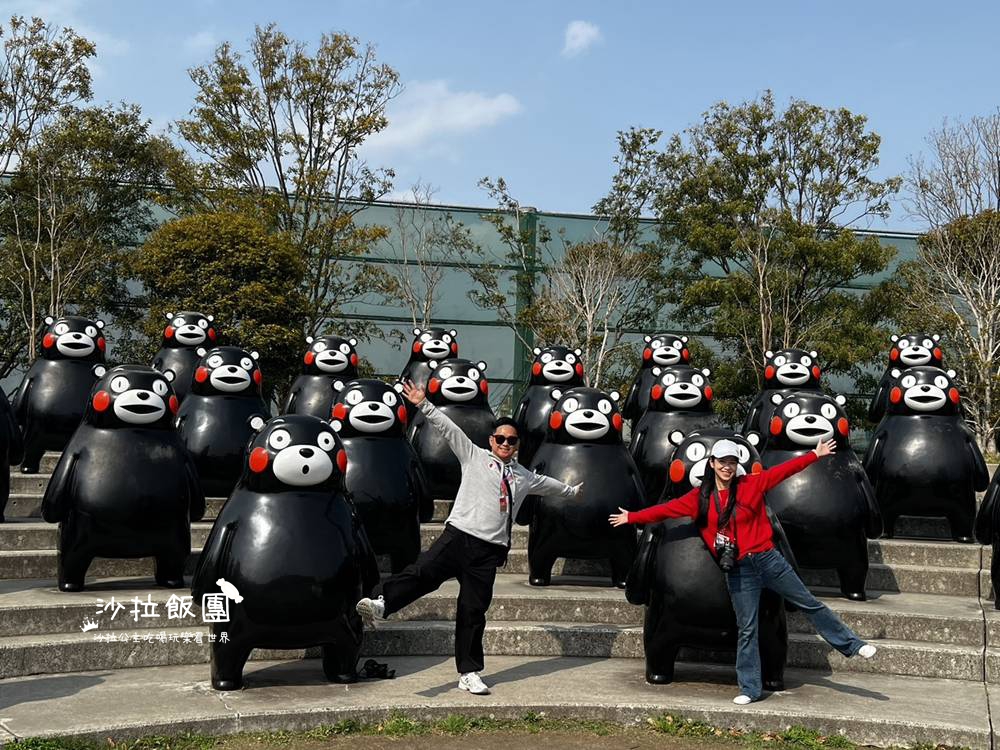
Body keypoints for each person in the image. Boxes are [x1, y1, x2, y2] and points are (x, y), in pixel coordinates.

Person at [356, 379, 582, 696]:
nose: (505, 444)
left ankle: (469, 672)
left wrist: (571, 491)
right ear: (492, 440)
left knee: (473, 611)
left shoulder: (523, 476)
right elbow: (448, 429)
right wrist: (423, 404)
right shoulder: (474, 455)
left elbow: (549, 485)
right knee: (423, 573)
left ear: (517, 444)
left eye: (511, 440)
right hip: (458, 537)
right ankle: (383, 604)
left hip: (487, 553)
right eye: (500, 439)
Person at [609, 438, 876, 705]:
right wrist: (631, 517)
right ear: (712, 463)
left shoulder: (751, 484)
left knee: (809, 603)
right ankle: (749, 688)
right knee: (747, 628)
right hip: (739, 570)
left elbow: (784, 471)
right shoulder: (699, 498)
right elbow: (665, 510)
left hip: (768, 560)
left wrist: (814, 455)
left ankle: (853, 645)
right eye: (722, 462)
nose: (727, 467)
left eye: (732, 462)